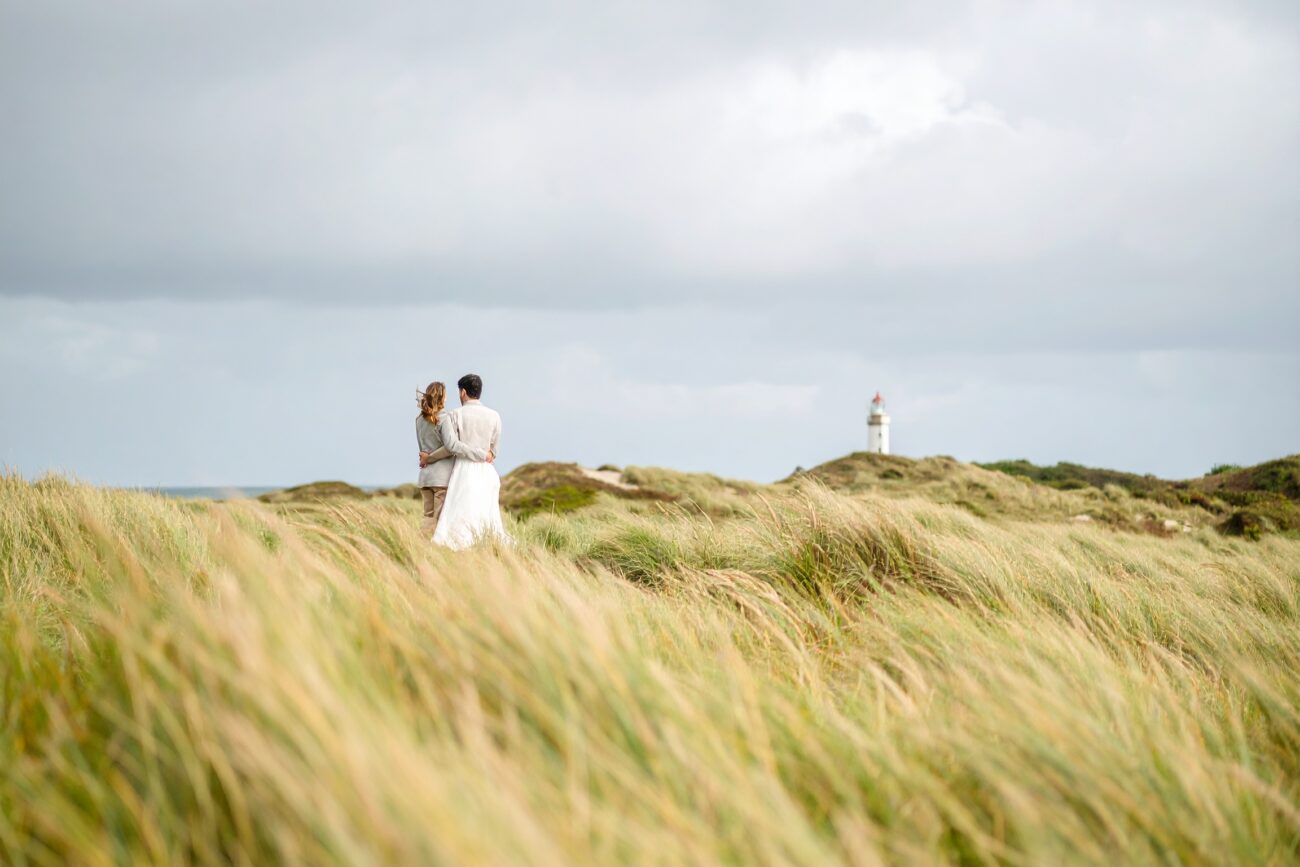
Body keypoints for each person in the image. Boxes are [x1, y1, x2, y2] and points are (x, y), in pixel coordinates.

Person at [426, 373, 509, 549]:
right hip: (486, 471)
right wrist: (483, 454)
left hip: (464, 469)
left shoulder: (454, 414)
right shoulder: (495, 416)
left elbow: (452, 446)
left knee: (462, 514)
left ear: (463, 392)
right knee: (485, 515)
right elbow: (494, 451)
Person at [415, 382, 455, 536]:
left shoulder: (419, 420)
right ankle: (430, 552)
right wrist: (430, 458)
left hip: (425, 477)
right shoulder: (444, 418)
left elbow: (422, 449)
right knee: (438, 522)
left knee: (428, 518)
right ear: (442, 397)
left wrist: (427, 458)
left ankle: (420, 549)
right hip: (441, 479)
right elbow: (450, 447)